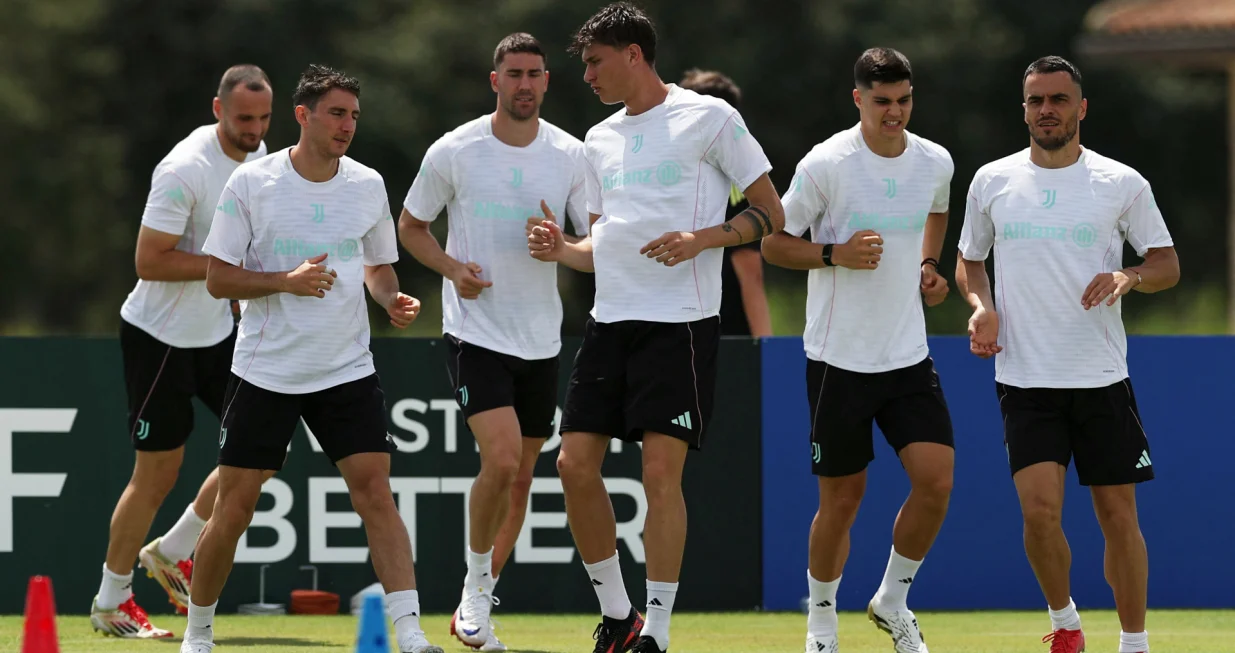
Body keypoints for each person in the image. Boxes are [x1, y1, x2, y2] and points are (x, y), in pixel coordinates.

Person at [528, 4, 783, 652]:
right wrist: (559, 247)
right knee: (572, 464)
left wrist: (704, 238)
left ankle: (659, 630)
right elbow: (599, 242)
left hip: (680, 325)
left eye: (593, 61)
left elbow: (769, 213)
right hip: (607, 322)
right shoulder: (597, 140)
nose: (584, 75)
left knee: (658, 475)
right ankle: (619, 613)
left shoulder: (710, 117)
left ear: (632, 54)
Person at [179, 64, 442, 653]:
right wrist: (285, 283)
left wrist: (389, 298)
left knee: (376, 492)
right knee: (235, 506)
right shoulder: (252, 183)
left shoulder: (368, 184)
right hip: (265, 370)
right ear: (303, 115)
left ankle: (411, 634)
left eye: (353, 115)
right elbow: (219, 280)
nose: (348, 125)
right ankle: (198, 635)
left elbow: (376, 265)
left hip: (345, 367)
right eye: (336, 113)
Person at [956, 56, 1179, 653]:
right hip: (1025, 378)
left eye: (1058, 99)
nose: (1046, 110)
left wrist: (1129, 278)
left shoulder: (1121, 182)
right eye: (1035, 101)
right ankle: (1066, 624)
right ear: (1023, 108)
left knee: (1118, 517)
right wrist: (982, 306)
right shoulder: (991, 180)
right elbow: (970, 262)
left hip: (1102, 377)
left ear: (1081, 108)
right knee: (1039, 514)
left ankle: (1135, 643)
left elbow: (1166, 264)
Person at [398, 32, 591, 653]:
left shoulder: (570, 153)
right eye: (514, 73)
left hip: (541, 338)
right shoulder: (455, 149)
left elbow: (597, 243)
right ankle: (475, 591)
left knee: (521, 478)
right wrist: (454, 271)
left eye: (535, 73)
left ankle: (474, 602)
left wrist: (560, 248)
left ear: (546, 82)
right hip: (474, 334)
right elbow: (411, 226)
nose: (526, 84)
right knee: (503, 460)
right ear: (495, 81)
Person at [762, 47, 954, 653]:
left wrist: (928, 265)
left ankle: (892, 600)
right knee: (842, 501)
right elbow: (774, 244)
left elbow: (938, 211)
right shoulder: (827, 164)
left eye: (903, 101)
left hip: (907, 356)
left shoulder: (935, 160)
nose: (894, 113)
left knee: (936, 481)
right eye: (881, 103)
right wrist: (833, 254)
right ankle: (821, 624)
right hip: (837, 358)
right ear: (858, 100)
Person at [91, 64, 272, 640]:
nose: (254, 130)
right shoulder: (184, 169)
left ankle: (172, 550)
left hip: (219, 334)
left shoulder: (258, 152)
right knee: (157, 474)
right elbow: (150, 260)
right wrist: (232, 272)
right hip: (160, 339)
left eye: (263, 119)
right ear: (216, 109)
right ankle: (110, 600)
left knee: (263, 448)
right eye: (244, 118)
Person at [678, 68, 772, 337]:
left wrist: (766, 348)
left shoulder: (734, 183)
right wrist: (766, 345)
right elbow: (751, 272)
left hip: (711, 331)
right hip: (715, 331)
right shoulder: (734, 179)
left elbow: (747, 265)